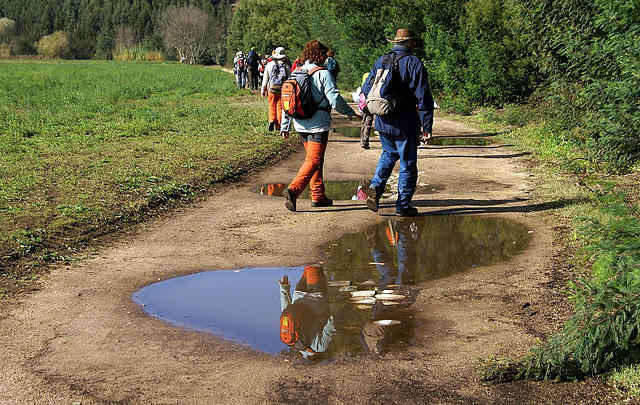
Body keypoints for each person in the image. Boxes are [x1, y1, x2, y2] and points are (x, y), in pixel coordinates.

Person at [362, 28, 434, 217]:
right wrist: (426, 126)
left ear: (395, 42)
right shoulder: (414, 63)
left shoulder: (381, 60)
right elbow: (424, 97)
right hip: (406, 122)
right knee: (408, 163)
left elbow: (366, 87)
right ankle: (403, 206)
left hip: (383, 120)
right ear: (409, 43)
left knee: (388, 154)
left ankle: (375, 188)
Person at [280, 40, 359, 211]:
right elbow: (335, 99)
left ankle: (318, 196)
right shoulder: (323, 74)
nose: (326, 58)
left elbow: (286, 100)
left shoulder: (296, 71)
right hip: (318, 125)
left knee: (314, 160)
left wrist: (284, 126)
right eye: (324, 55)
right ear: (320, 55)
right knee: (314, 160)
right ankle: (293, 190)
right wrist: (351, 113)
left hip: (300, 124)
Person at [279, 265, 335, 359]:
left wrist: (336, 310)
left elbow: (330, 327)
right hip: (299, 293)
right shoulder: (292, 341)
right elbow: (287, 312)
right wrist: (284, 289)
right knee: (310, 266)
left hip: (316, 295)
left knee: (315, 263)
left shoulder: (320, 348)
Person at [261, 47, 290, 132]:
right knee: (280, 107)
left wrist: (263, 89)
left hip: (272, 89)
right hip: (282, 90)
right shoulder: (286, 66)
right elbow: (290, 79)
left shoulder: (269, 65)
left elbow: (265, 78)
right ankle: (279, 124)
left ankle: (271, 120)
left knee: (271, 105)